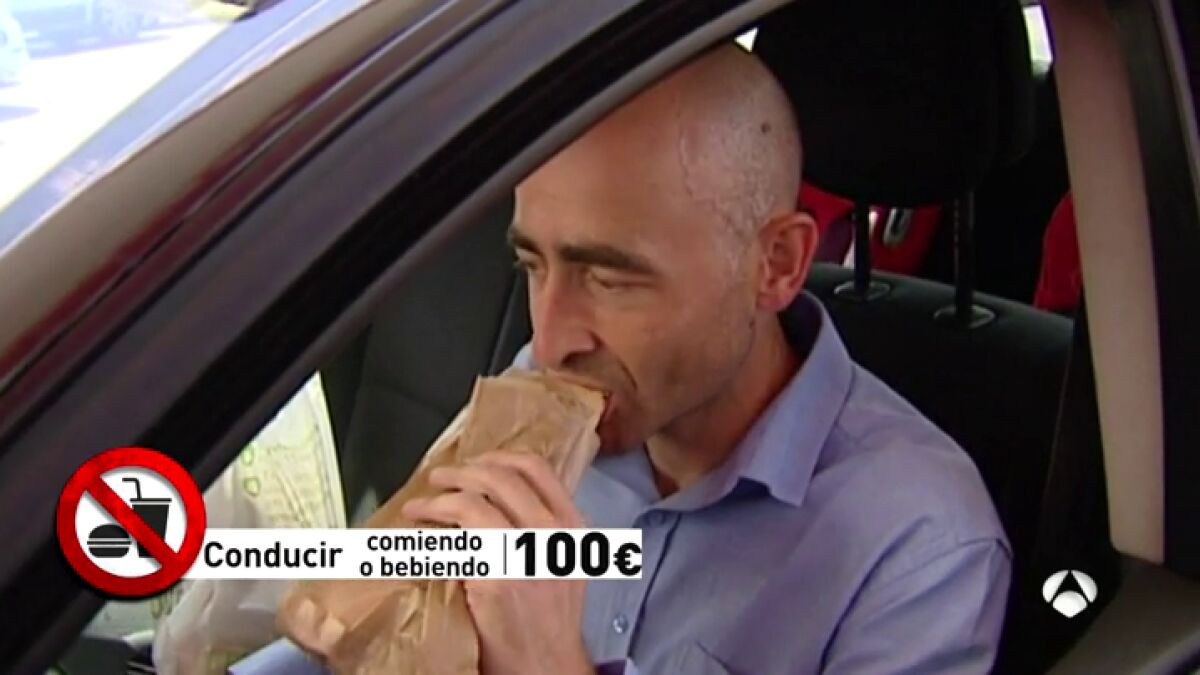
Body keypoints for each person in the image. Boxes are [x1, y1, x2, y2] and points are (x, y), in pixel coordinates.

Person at [232, 43, 1009, 675]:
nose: (552, 339)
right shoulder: (539, 399)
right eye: (532, 265)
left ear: (775, 264)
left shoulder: (918, 546)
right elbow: (362, 629)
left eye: (609, 279)